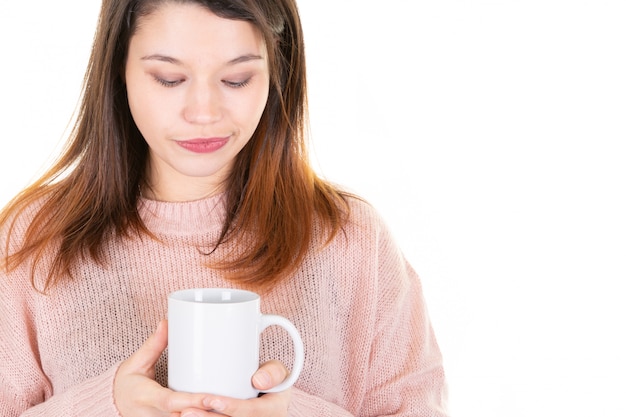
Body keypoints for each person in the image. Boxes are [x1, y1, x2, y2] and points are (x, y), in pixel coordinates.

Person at [0, 0, 448, 416]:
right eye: (169, 79)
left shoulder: (350, 239)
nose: (204, 112)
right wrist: (107, 405)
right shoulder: (32, 240)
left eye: (237, 79)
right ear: (119, 70)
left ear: (278, 72)